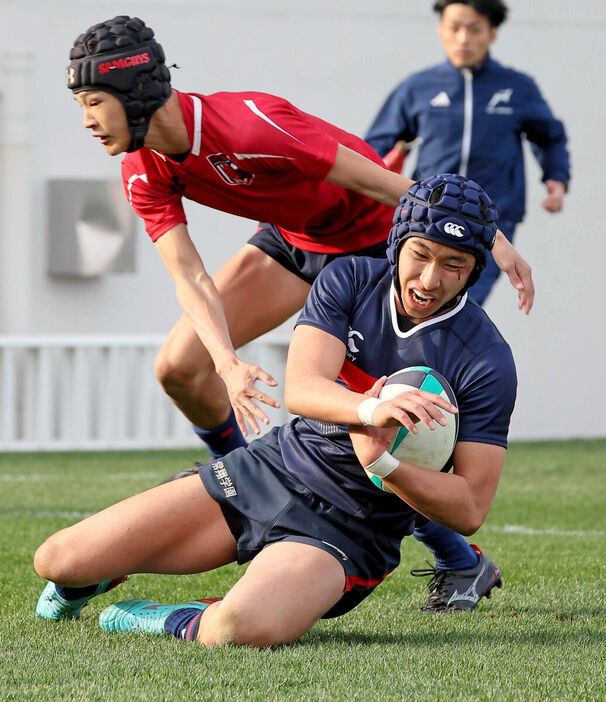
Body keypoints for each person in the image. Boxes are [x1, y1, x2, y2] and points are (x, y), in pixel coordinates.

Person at [65, 15, 526, 612]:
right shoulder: (141, 166)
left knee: (373, 424)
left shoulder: (248, 123)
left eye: (93, 101)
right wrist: (228, 364)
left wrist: (484, 239)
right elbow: (190, 275)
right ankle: (238, 478)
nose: (86, 120)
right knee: (180, 367)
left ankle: (461, 560)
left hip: (373, 241)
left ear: (136, 94)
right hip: (298, 238)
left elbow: (386, 184)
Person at [34, 174, 516, 645]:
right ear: (398, 245)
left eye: (454, 264)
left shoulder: (486, 358)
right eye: (421, 255)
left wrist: (383, 464)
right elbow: (302, 388)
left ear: (473, 271)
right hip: (273, 470)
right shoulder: (349, 278)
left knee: (238, 628)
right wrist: (371, 408)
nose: (430, 280)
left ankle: (174, 619)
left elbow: (471, 506)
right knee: (58, 559)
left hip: (351, 530)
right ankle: (92, 578)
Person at [366, 0, 569, 305]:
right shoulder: (418, 87)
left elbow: (549, 136)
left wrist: (556, 179)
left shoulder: (518, 87)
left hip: (493, 221)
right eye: (455, 28)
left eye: (474, 29)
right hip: (425, 217)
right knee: (407, 300)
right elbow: (374, 146)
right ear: (441, 31)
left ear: (492, 33)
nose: (463, 38)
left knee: (460, 304)